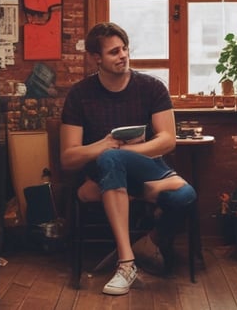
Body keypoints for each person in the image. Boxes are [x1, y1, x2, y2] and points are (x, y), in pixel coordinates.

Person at [60, 22, 197, 296]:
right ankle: (127, 262)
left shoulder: (151, 87)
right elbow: (68, 157)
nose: (122, 55)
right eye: (113, 52)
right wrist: (103, 146)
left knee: (185, 197)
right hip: (103, 171)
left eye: (124, 49)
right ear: (96, 58)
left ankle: (148, 242)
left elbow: (167, 140)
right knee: (110, 160)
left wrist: (121, 151)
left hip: (143, 165)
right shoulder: (80, 95)